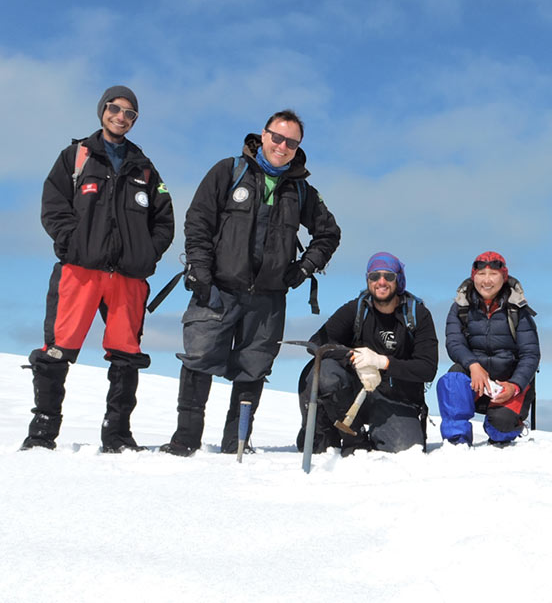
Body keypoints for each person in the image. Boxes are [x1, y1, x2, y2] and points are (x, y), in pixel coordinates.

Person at [160, 109, 341, 456]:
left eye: (291, 142)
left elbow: (328, 233)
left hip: (268, 299)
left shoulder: (301, 190)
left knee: (253, 368)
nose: (282, 146)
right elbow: (198, 219)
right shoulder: (229, 171)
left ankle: (236, 443)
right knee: (199, 358)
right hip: (217, 289)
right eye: (277, 137)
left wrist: (304, 268)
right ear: (263, 135)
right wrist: (199, 265)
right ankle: (185, 439)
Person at [21, 85, 175, 452]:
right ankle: (42, 434)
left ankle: (117, 434)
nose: (121, 117)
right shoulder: (75, 157)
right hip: (80, 271)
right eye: (115, 109)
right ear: (102, 110)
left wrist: (145, 256)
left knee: (126, 354)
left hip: (128, 277)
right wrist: (71, 242)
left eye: (129, 113)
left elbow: (164, 221)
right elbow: (53, 205)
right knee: (57, 348)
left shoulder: (146, 168)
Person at [297, 252, 438, 454]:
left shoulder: (418, 315)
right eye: (374, 276)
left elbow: (427, 369)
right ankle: (353, 437)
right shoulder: (356, 308)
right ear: (368, 280)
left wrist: (383, 363)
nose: (381, 281)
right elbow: (318, 342)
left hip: (395, 398)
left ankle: (377, 433)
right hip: (353, 395)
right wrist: (353, 358)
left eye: (389, 276)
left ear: (399, 280)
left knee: (404, 449)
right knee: (324, 371)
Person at [436, 252, 540, 446]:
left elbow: (531, 354)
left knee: (501, 429)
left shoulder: (518, 309)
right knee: (452, 380)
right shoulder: (460, 307)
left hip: (508, 382)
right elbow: (454, 343)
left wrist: (515, 386)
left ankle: (508, 422)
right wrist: (473, 365)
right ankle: (456, 440)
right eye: (481, 274)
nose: (487, 280)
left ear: (504, 276)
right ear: (473, 276)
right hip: (475, 379)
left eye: (493, 274)